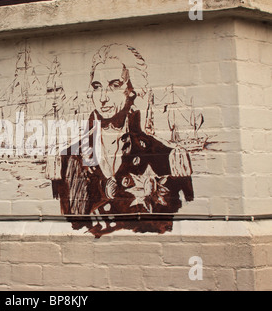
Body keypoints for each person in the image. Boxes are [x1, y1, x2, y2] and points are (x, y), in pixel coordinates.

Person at [50, 44, 194, 238]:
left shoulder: (164, 156)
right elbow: (69, 227)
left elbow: (169, 226)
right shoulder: (69, 158)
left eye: (115, 85)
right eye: (97, 86)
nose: (103, 98)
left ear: (132, 91)